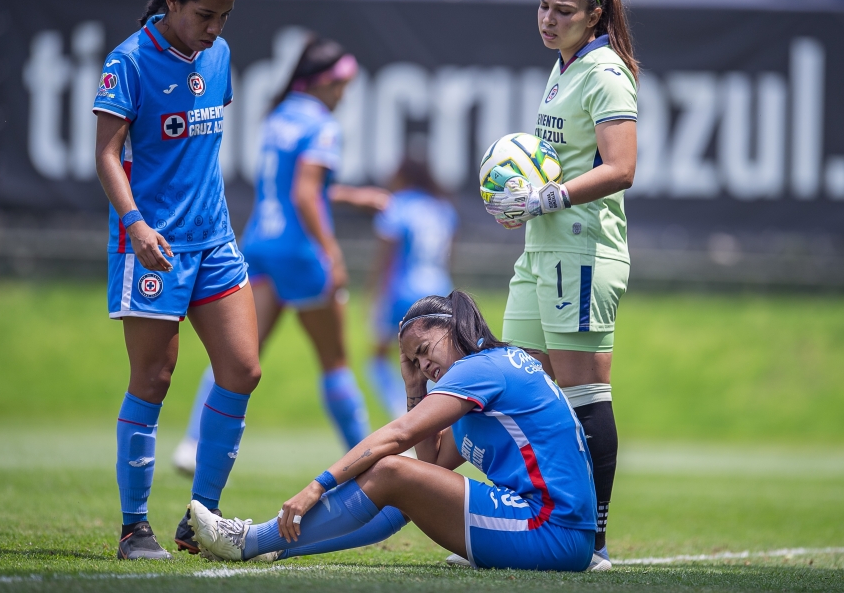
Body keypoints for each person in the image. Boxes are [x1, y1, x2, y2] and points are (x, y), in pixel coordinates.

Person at [186, 291, 597, 571]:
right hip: (559, 533)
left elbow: (400, 438)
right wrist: (414, 386)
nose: (424, 367)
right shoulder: (488, 372)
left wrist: (318, 484)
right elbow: (433, 463)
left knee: (391, 471)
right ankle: (271, 547)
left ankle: (249, 541)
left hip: (551, 533)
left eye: (424, 351)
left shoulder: (480, 370)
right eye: (413, 363)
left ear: (455, 328)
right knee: (404, 487)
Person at [93, 0, 260, 560]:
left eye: (223, 16)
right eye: (204, 14)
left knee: (243, 369)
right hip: (154, 244)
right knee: (155, 378)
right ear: (171, 2)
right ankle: (134, 528)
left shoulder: (217, 57)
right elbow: (107, 154)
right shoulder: (129, 62)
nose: (214, 28)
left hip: (214, 240)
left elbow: (196, 153)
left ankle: (202, 518)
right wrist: (134, 225)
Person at [171, 35, 390, 479]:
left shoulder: (279, 116)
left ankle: (193, 443)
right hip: (301, 253)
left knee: (237, 354)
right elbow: (305, 194)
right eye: (342, 84)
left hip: (259, 244)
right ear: (324, 82)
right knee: (335, 361)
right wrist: (333, 253)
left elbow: (291, 190)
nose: (344, 94)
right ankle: (365, 457)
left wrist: (348, 195)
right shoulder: (323, 125)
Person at [483, 0, 639, 571]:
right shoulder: (564, 66)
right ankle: (521, 524)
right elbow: (556, 161)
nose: (549, 19)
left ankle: (591, 541)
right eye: (544, 6)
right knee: (514, 386)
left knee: (583, 397)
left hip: (582, 251)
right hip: (540, 249)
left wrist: (551, 197)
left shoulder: (605, 72)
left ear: (594, 16)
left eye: (564, 10)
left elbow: (621, 166)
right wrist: (520, 199)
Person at [366, 158, 458, 420]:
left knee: (379, 358)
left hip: (402, 290)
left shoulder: (396, 205)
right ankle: (442, 418)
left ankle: (402, 413)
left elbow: (386, 257)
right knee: (439, 360)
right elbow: (450, 256)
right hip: (440, 289)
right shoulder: (442, 208)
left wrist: (374, 295)